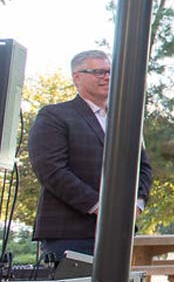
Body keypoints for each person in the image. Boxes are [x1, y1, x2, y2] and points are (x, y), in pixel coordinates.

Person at [28, 49, 152, 261]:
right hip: (69, 233)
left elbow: (143, 167)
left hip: (118, 233)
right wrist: (99, 206)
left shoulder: (125, 119)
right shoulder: (54, 116)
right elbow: (51, 170)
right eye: (98, 72)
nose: (107, 77)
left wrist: (137, 204)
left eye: (110, 71)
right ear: (77, 77)